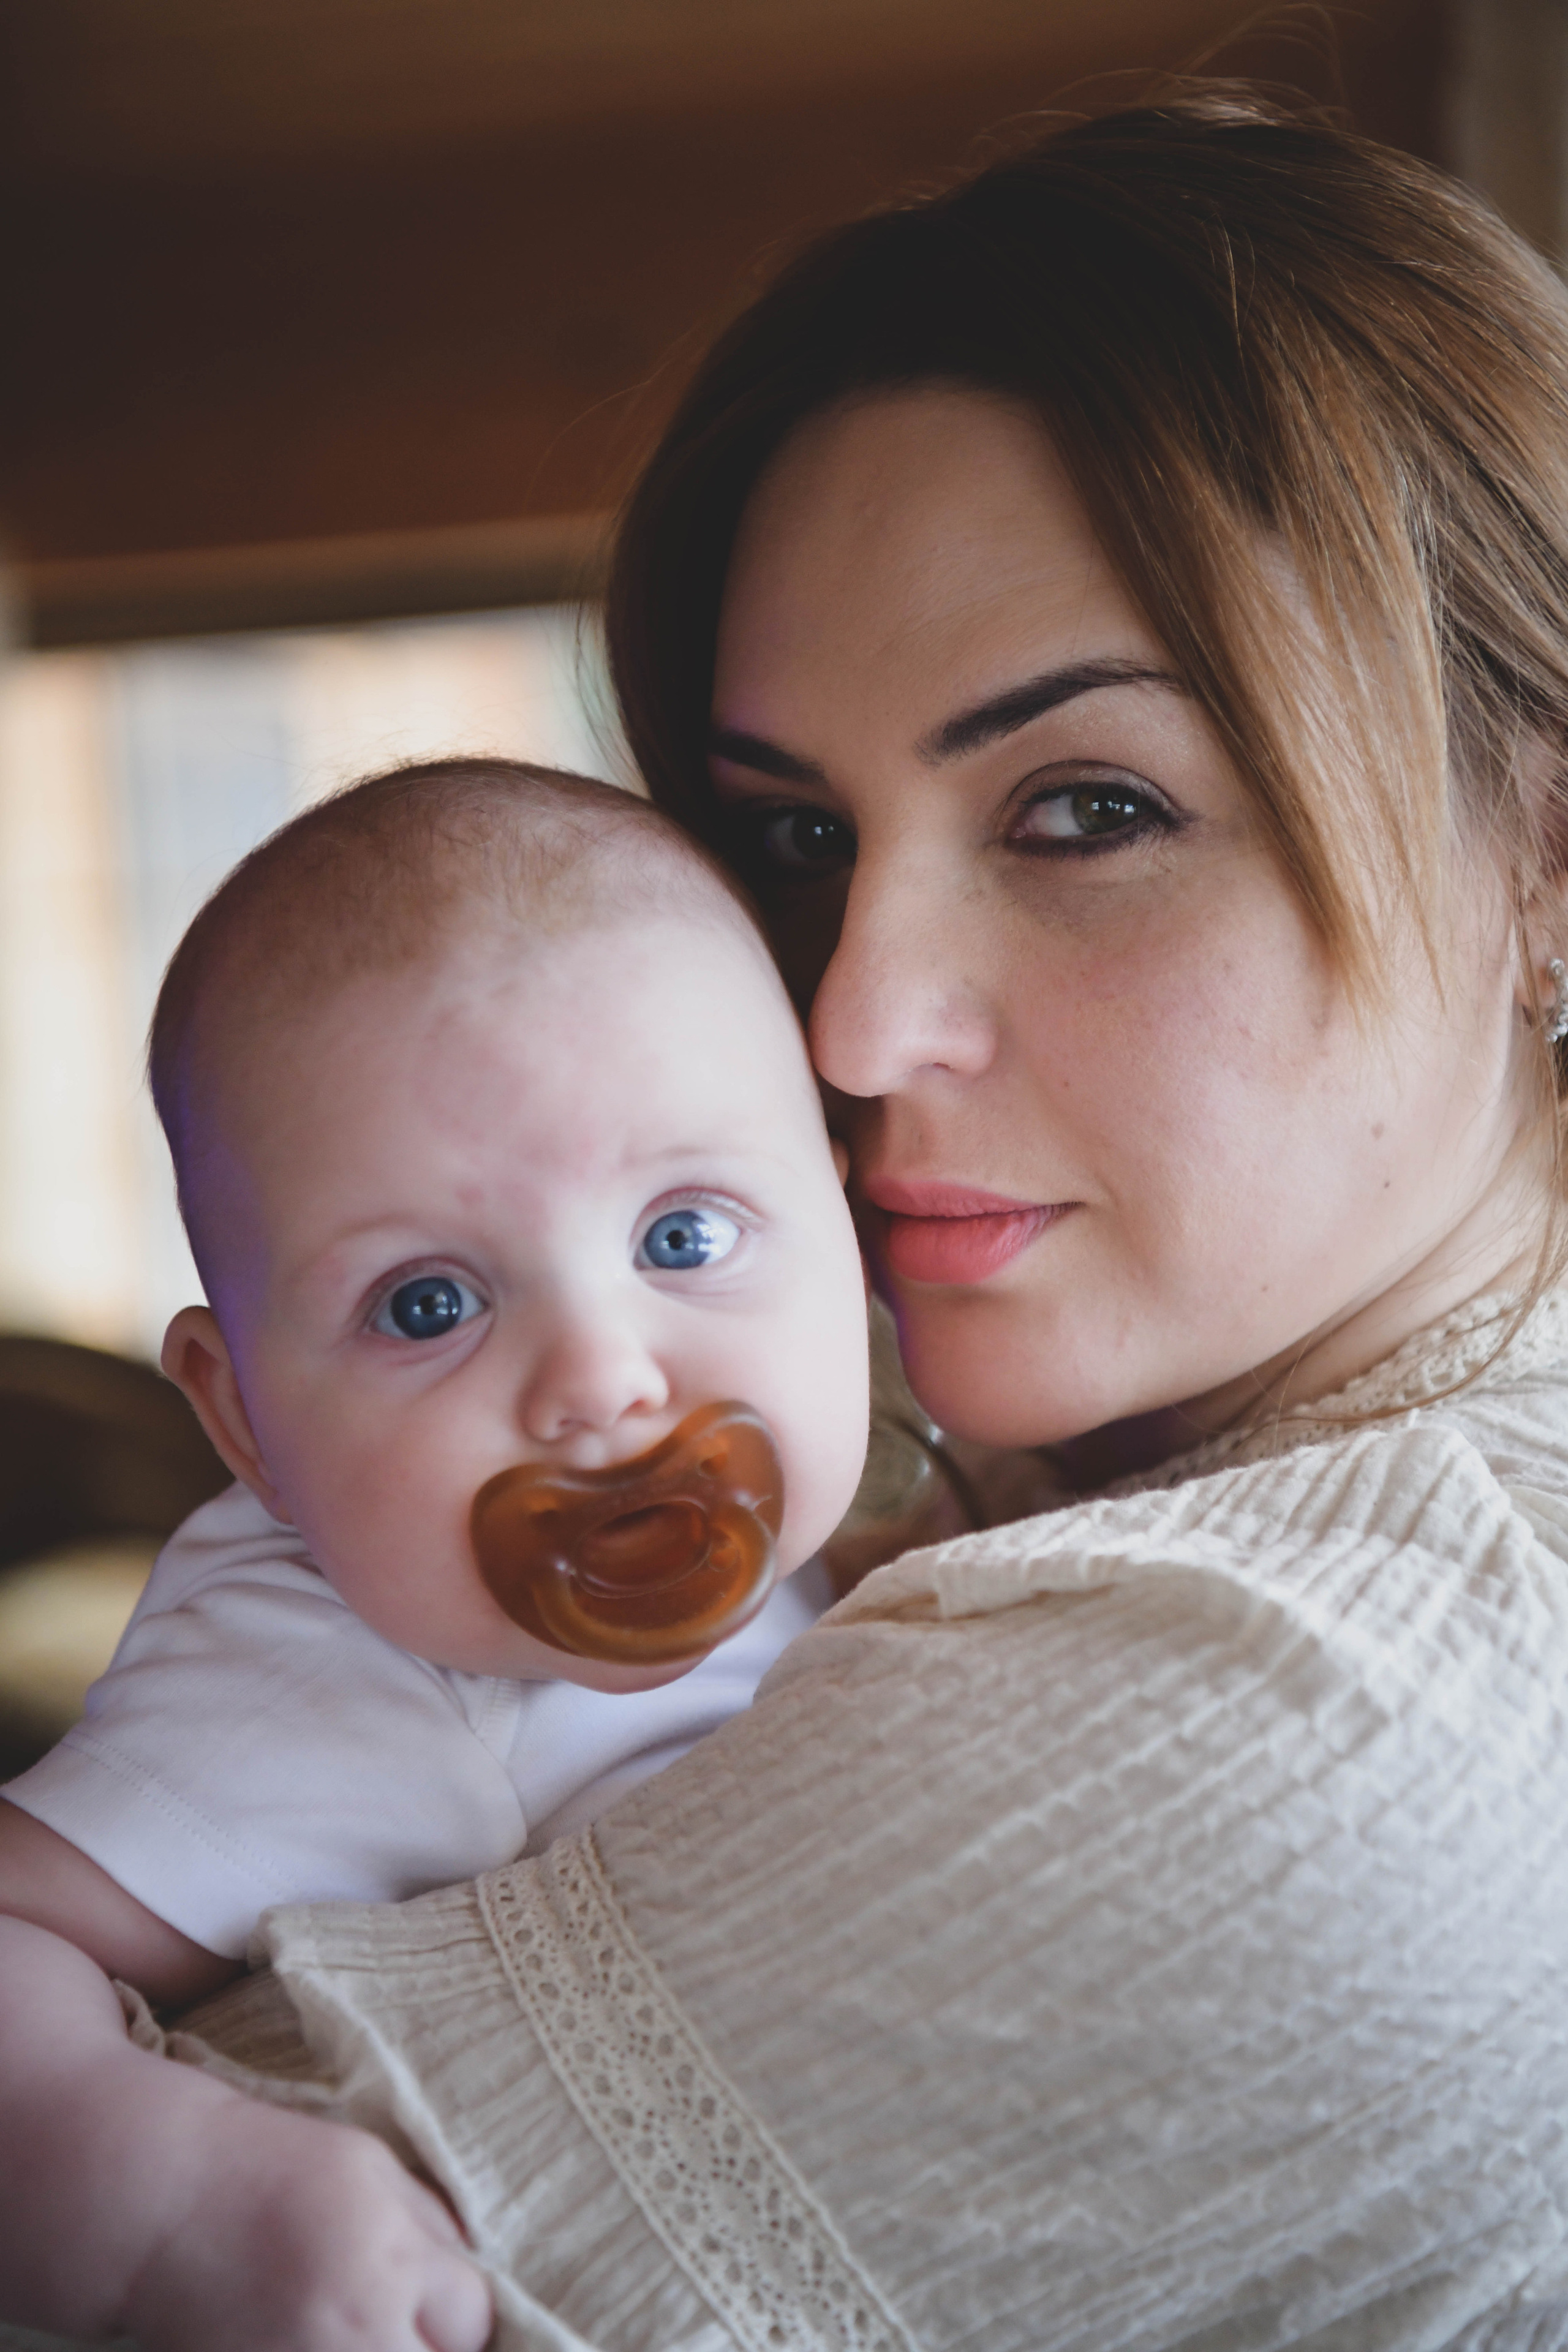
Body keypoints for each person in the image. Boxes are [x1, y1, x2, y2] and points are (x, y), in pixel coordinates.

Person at [13, 83, 1568, 2352]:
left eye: (1090, 805)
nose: (842, 1027)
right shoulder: (912, 1504)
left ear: (1544, 859)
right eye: (801, 845)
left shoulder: (1324, 1709)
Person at [0, 758, 871, 2349]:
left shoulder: (888, 1535)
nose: (603, 1380)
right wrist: (155, 2199)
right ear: (247, 1420)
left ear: (845, 1213)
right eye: (428, 1304)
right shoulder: (334, 1667)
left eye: (683, 1234)